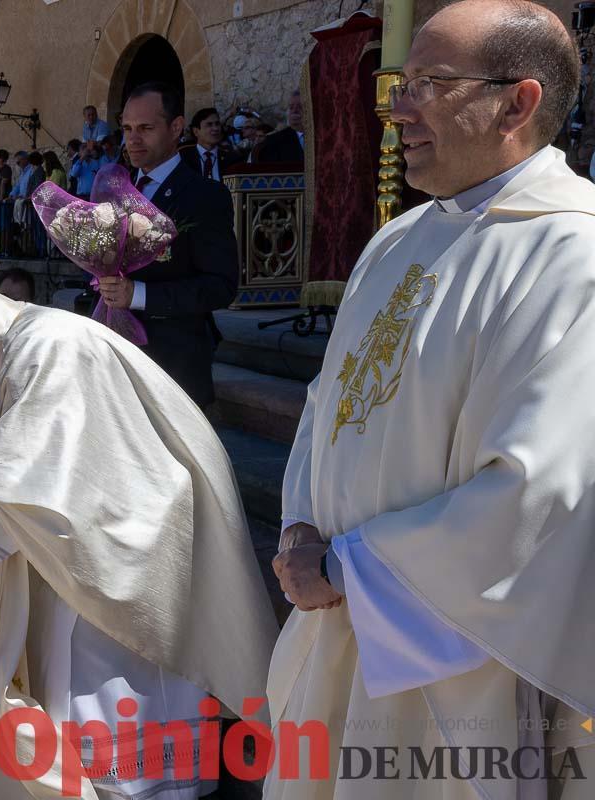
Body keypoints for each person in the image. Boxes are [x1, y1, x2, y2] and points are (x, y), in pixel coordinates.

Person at [266, 2, 595, 797]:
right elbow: (326, 403)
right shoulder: (397, 238)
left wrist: (348, 567)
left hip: (452, 650)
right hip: (334, 615)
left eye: (430, 84)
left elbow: (539, 489)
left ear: (517, 102)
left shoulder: (572, 255)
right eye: (400, 82)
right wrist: (302, 526)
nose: (396, 108)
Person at [0, 255, 278, 800]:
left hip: (118, 559)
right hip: (75, 553)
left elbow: (15, 486)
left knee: (124, 731)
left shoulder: (46, 348)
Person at [98, 81, 238, 407]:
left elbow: (221, 286)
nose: (133, 139)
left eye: (146, 128)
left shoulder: (204, 195)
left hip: (175, 362)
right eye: (128, 128)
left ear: (176, 128)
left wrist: (140, 295)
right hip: (117, 359)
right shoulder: (115, 191)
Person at [252, 90, 305, 165]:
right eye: (291, 107)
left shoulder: (322, 138)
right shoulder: (274, 141)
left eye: (300, 107)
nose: (294, 111)